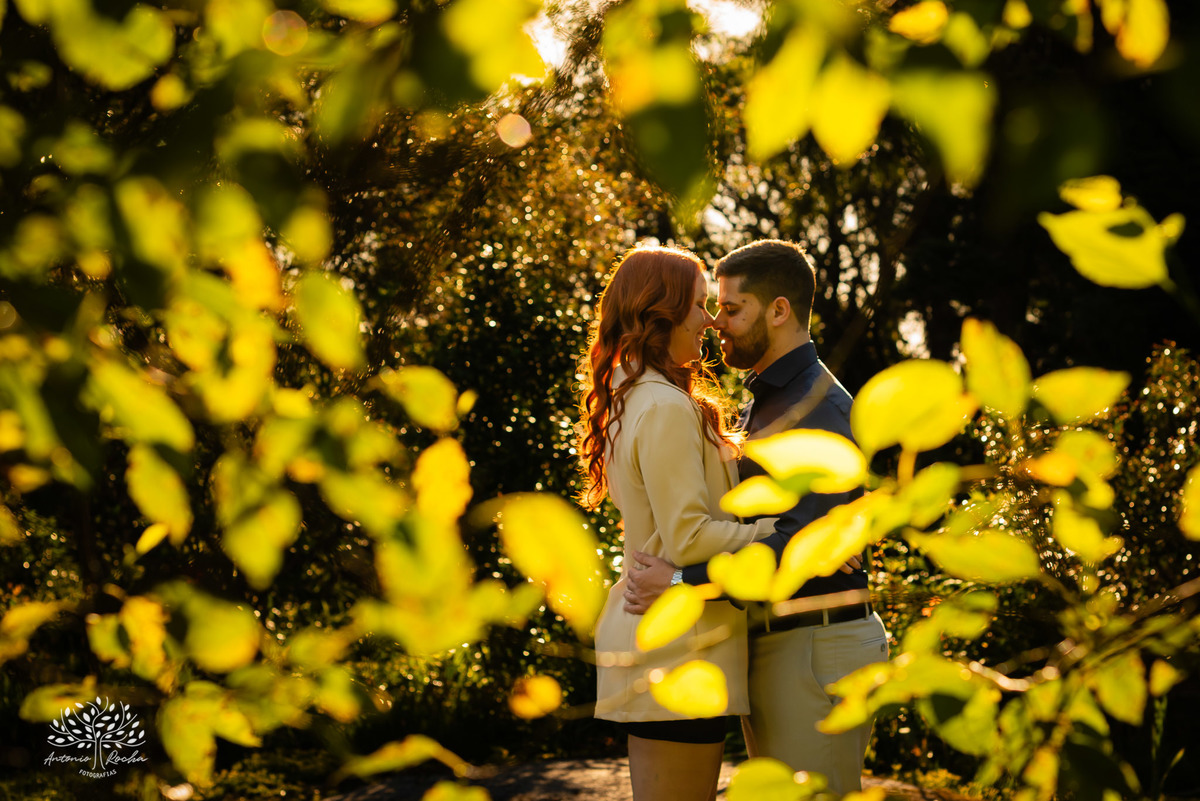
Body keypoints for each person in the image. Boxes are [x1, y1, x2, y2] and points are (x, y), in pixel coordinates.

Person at [622, 239, 890, 795]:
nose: (718, 322)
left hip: (816, 646)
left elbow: (796, 552)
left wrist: (676, 582)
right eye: (714, 307)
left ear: (779, 311)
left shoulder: (819, 408)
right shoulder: (762, 402)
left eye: (733, 309)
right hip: (773, 645)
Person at [578, 245, 780, 801]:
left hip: (665, 638)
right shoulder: (664, 407)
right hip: (677, 648)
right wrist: (790, 536)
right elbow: (690, 536)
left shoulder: (635, 397)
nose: (710, 319)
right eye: (698, 305)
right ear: (661, 312)